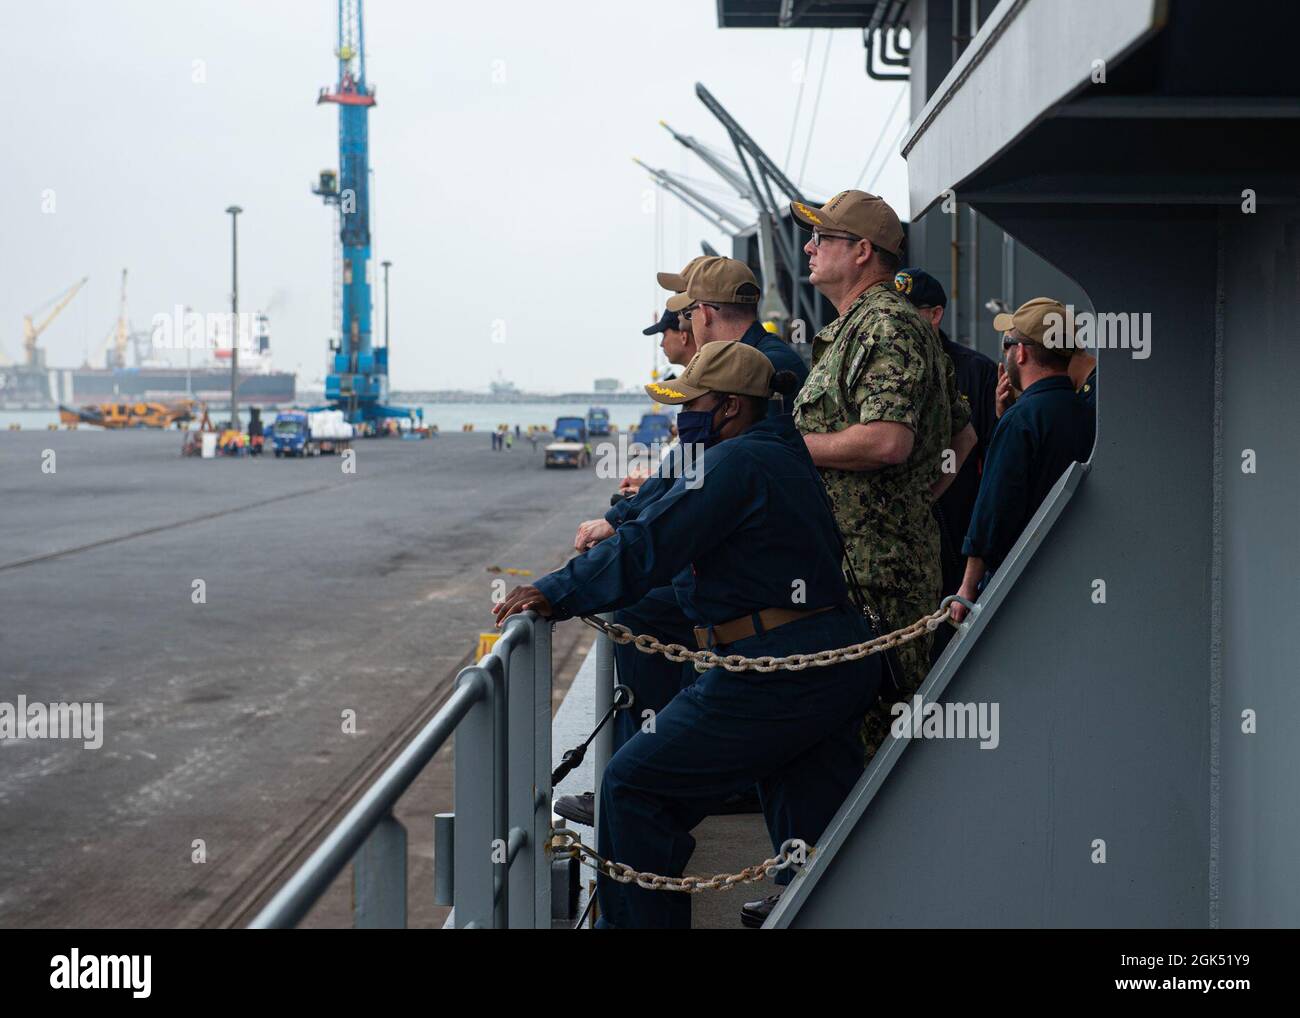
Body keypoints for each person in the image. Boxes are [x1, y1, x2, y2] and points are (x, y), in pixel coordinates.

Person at [494, 341, 882, 929]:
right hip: (820, 659)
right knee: (815, 826)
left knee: (633, 788)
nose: (679, 418)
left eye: (688, 405)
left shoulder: (733, 464)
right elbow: (658, 520)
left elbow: (651, 543)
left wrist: (557, 591)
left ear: (728, 408)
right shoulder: (773, 450)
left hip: (775, 669)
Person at [554, 258, 813, 830]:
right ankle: (674, 765)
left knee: (642, 608)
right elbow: (688, 469)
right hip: (764, 556)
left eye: (690, 309)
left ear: (705, 312)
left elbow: (696, 477)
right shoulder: (755, 364)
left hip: (763, 568)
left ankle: (655, 767)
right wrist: (631, 513)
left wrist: (563, 585)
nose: (686, 321)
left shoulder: (756, 368)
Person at [789, 190, 976, 759]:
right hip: (858, 567)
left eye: (823, 238)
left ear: (863, 251)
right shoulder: (860, 327)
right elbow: (961, 436)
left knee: (874, 747)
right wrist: (914, 500)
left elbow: (889, 441)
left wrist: (792, 450)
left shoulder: (886, 328)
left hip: (875, 582)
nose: (809, 246)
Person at [950, 298, 1097, 622]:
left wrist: (967, 588)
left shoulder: (1020, 422)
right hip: (1073, 579)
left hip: (1017, 587)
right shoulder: (1088, 413)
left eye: (1007, 344)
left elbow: (992, 513)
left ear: (1021, 352)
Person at [892, 268, 999, 661]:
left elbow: (991, 460)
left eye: (906, 314)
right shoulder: (885, 369)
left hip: (957, 531)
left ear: (934, 315)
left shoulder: (975, 372)